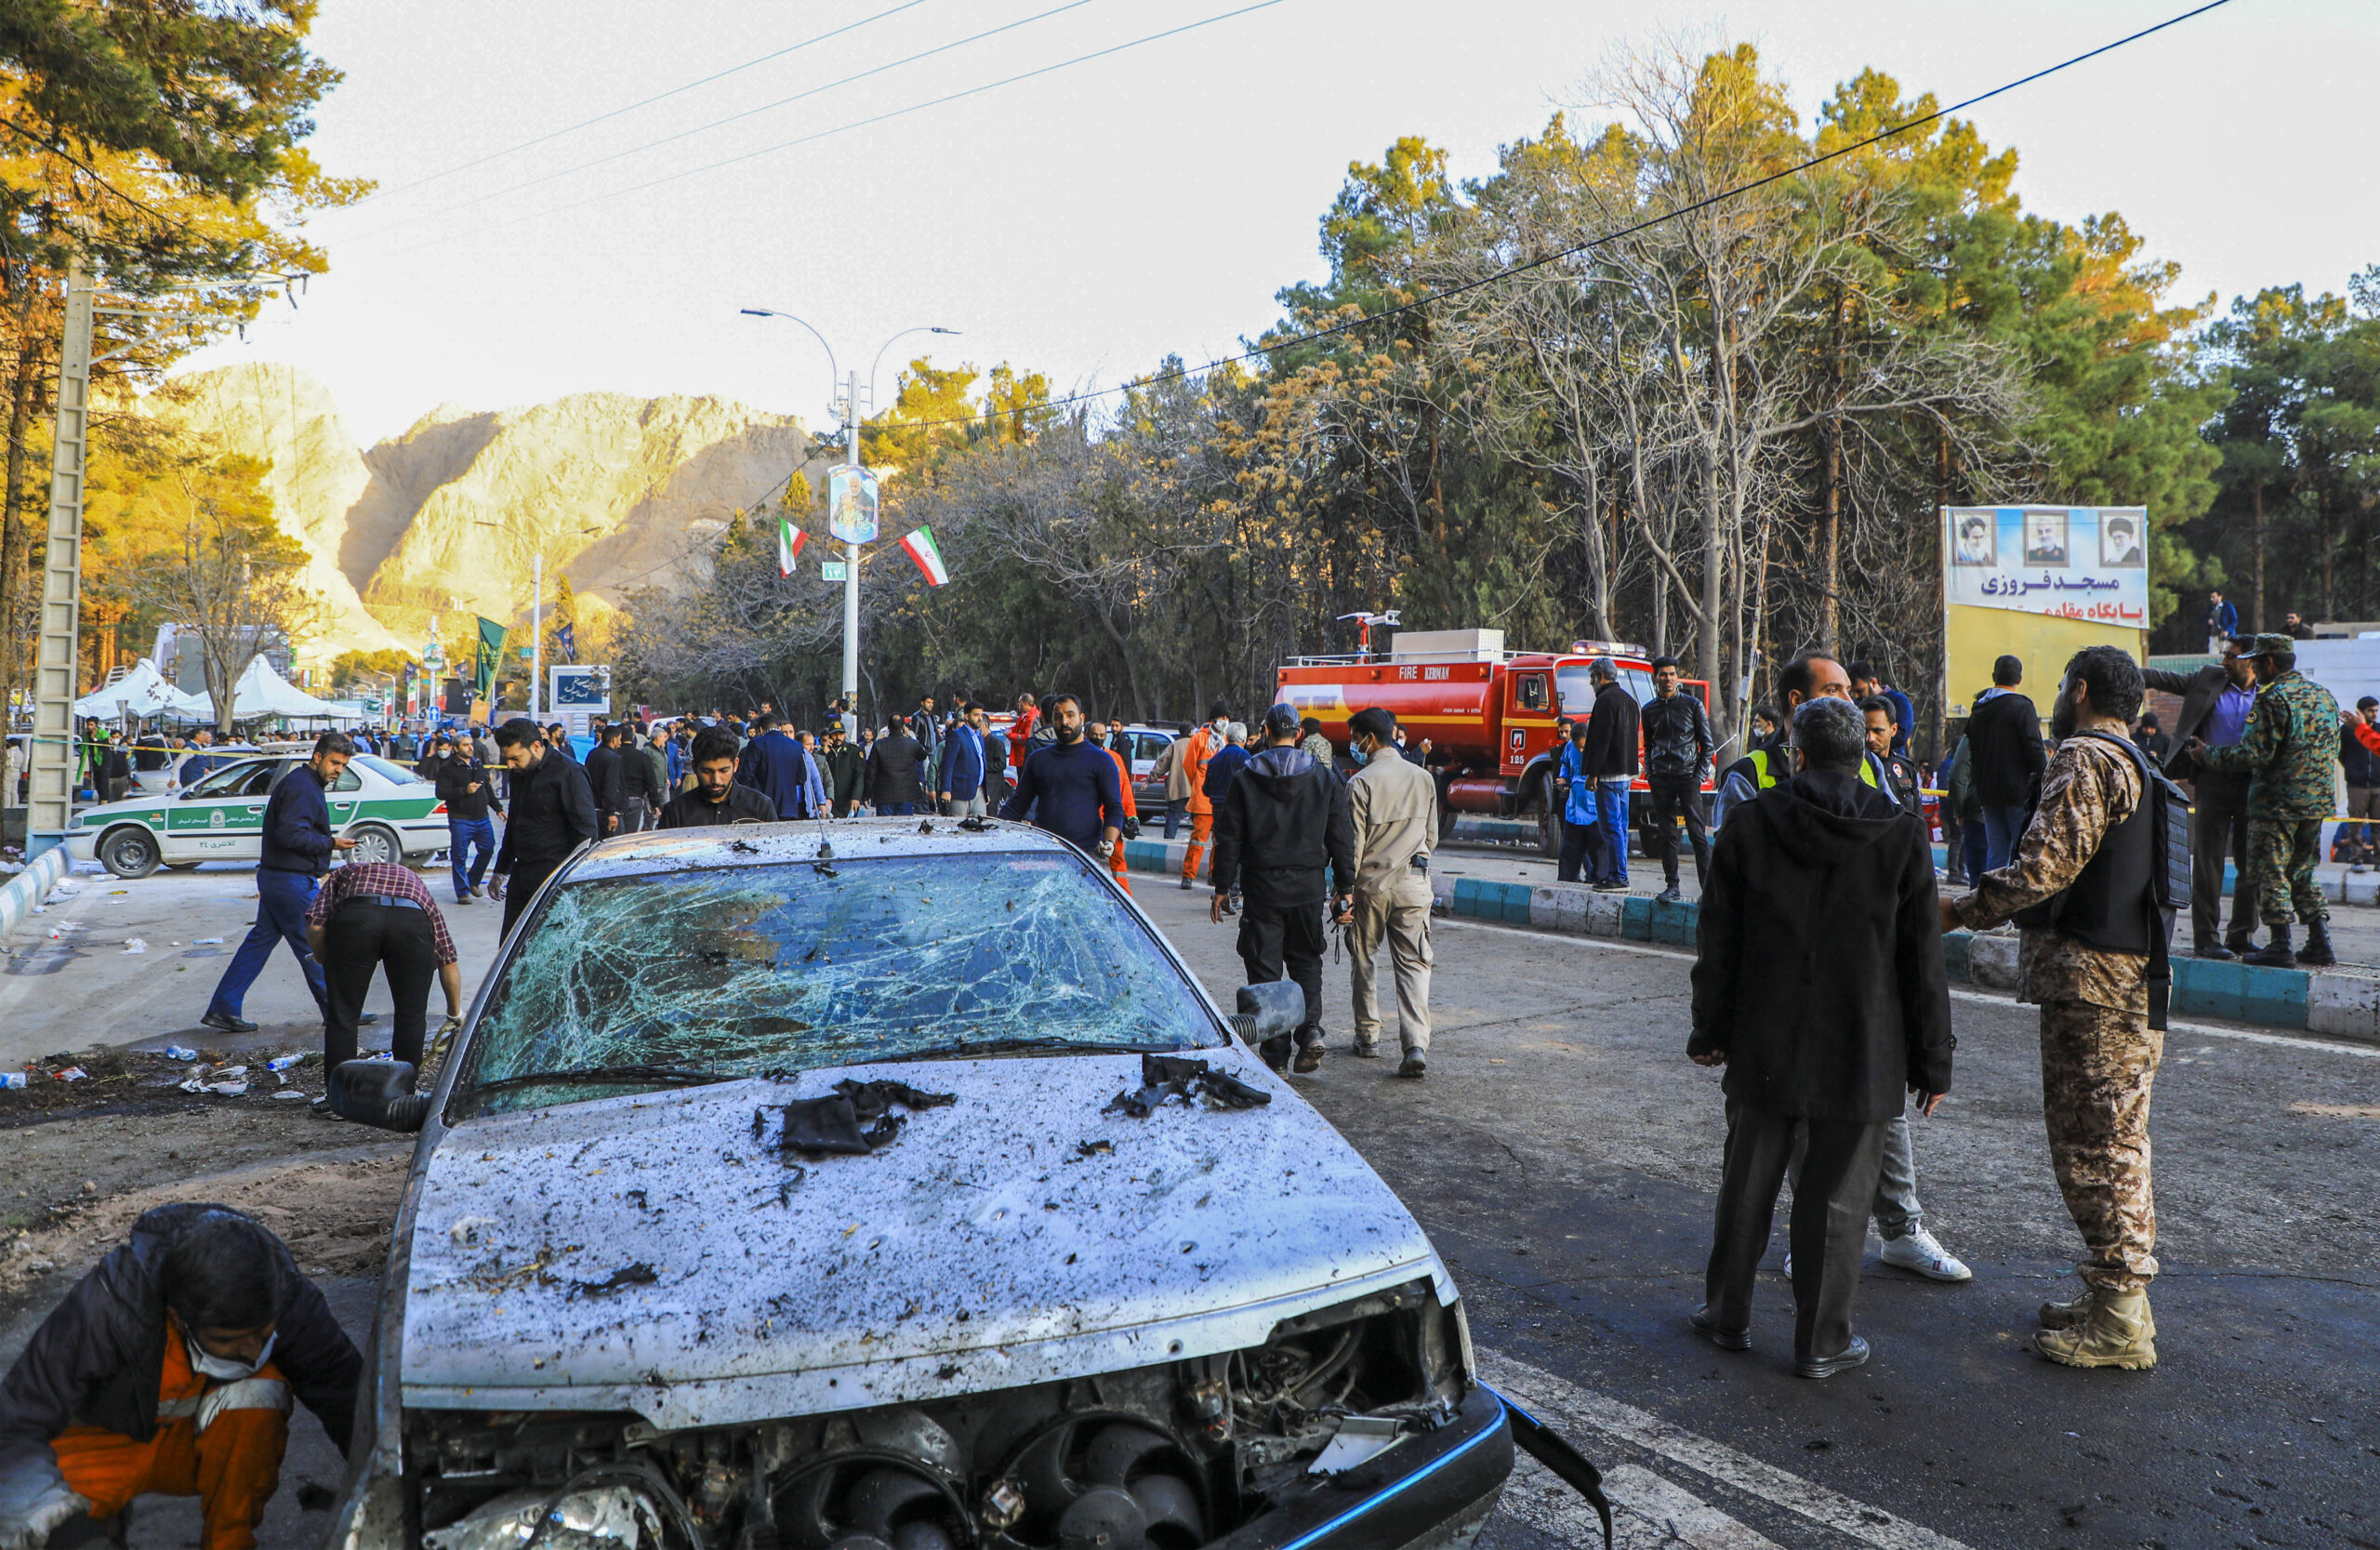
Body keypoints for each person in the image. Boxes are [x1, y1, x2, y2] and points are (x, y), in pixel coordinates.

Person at [1689, 696, 1954, 1380]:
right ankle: (1821, 1341)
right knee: (1838, 1200)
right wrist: (1934, 1060)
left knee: (1747, 1181)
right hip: (1862, 1048)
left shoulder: (1750, 824)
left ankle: (1727, 1314)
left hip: (1765, 1038)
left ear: (1796, 753)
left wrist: (1709, 1029)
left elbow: (1719, 938)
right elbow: (1921, 958)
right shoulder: (1899, 832)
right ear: (1864, 756)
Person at [1949, 646, 2168, 1370]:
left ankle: (2121, 1319)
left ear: (2079, 690)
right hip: (2130, 982)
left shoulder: (2084, 757)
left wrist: (1960, 909)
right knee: (2115, 1142)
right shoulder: (2137, 760)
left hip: (2093, 987)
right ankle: (2115, 1297)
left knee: (2093, 1149)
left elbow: (2044, 868)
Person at [0, 1206, 361, 1550]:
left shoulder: (288, 1297)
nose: (252, 1351)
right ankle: (99, 1528)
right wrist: (68, 1532)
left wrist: (392, 1485)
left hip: (194, 1445)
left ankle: (228, 1542)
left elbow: (350, 1401)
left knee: (259, 1392)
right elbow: (14, 1428)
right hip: (103, 1444)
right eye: (226, 1340)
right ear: (177, 1315)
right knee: (28, 1515)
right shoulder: (103, 1310)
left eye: (263, 1334)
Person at [1209, 703, 1355, 1075]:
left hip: (1262, 890)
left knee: (1265, 969)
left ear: (1267, 732)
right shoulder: (1324, 779)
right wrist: (1345, 886)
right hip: (1307, 889)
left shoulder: (1245, 778)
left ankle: (1276, 1057)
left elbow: (1230, 838)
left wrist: (1223, 886)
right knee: (1307, 962)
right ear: (1299, 734)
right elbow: (1341, 837)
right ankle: (1310, 1031)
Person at [2188, 634, 2342, 967]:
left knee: (2268, 871)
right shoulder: (2323, 696)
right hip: (2315, 803)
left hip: (2277, 804)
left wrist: (2207, 754)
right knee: (2302, 871)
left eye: (2257, 661)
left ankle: (2281, 943)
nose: (2254, 666)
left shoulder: (2273, 698)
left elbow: (2253, 754)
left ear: (2270, 663)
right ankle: (2319, 940)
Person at [198, 734, 354, 1037]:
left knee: (258, 945)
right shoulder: (301, 787)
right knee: (316, 944)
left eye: (343, 765)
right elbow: (290, 835)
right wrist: (330, 843)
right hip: (290, 879)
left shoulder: (304, 784)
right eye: (335, 762)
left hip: (278, 877)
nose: (338, 770)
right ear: (318, 756)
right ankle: (339, 1011)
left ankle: (223, 1007)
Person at [2142, 639, 2257, 957]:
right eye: (2224, 655)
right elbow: (2164, 679)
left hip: (2254, 784)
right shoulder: (2209, 677)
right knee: (2208, 862)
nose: (2224, 661)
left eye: (2232, 657)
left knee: (2252, 863)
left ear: (2252, 662)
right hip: (2211, 780)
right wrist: (2124, 671)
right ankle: (2207, 938)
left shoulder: (2271, 690)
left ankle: (2242, 934)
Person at [303, 851, 463, 1073]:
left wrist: (323, 957)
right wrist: (455, 1014)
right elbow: (446, 957)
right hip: (411, 921)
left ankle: (339, 1095)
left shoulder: (344, 872)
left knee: (344, 1017)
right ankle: (403, 1092)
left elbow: (316, 926)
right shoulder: (414, 881)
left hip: (357, 918)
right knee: (412, 1016)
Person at [1343, 708, 1435, 1078]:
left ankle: (1368, 1037)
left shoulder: (1360, 783)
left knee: (1364, 957)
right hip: (1415, 884)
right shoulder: (1423, 778)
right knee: (1414, 963)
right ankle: (1415, 1043)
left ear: (1369, 738)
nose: (1353, 745)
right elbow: (1432, 837)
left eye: (1355, 738)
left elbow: (1353, 847)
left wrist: (1345, 892)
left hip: (1372, 886)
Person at [489, 718, 598, 939]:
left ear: (536, 746)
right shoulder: (520, 774)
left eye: (515, 758)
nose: (510, 765)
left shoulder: (569, 773)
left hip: (554, 878)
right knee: (511, 947)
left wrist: (574, 882)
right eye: (507, 759)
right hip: (521, 875)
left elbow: (586, 834)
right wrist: (501, 870)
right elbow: (515, 823)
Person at [999, 693, 1122, 857]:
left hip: (1085, 857)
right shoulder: (1038, 759)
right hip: (1044, 852)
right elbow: (1017, 804)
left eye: (1070, 715)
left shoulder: (1102, 760)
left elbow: (1114, 808)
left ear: (1082, 718)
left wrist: (1109, 843)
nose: (1064, 721)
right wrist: (994, 830)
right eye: (1058, 716)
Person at [1639, 656, 1715, 902]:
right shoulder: (1649, 710)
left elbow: (1708, 746)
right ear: (1656, 678)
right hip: (1661, 778)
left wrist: (1697, 777)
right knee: (1667, 834)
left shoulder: (1692, 706)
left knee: (1697, 835)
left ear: (1677, 677)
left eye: (1672, 674)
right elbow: (1649, 745)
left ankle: (1708, 890)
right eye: (1663, 674)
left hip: (1688, 777)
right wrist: (1650, 772)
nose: (1668, 679)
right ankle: (1672, 886)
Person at [1966, 655, 2046, 871]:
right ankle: (2018, 902)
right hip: (2017, 792)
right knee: (2023, 851)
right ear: (2019, 679)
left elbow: (1972, 750)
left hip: (1987, 792)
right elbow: (2034, 750)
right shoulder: (2021, 707)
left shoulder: (1979, 709)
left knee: (1996, 852)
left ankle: (1991, 898)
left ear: (1994, 676)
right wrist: (2046, 779)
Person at [1576, 660, 1638, 891]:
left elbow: (1600, 741)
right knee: (1620, 828)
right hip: (1626, 774)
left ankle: (1619, 877)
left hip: (1608, 775)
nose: (1591, 683)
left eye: (1592, 678)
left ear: (1600, 676)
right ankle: (1616, 873)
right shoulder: (1630, 700)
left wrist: (1593, 773)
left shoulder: (1604, 701)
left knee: (1610, 828)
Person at [659, 727, 778, 828]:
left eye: (723, 771)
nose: (716, 780)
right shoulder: (675, 812)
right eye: (707, 771)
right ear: (694, 767)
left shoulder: (760, 807)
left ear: (735, 765)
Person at [435, 736, 502, 905]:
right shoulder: (448, 769)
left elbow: (487, 787)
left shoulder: (477, 764)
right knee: (459, 856)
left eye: (471, 744)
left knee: (487, 849)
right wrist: (464, 790)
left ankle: (473, 880)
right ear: (456, 748)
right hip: (461, 820)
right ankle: (463, 892)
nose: (470, 748)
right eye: (466, 745)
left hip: (482, 818)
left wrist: (498, 808)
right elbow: (441, 793)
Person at [1178, 704, 1228, 891]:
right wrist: (1198, 786)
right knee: (1198, 839)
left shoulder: (1225, 739)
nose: (1225, 721)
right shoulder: (1199, 738)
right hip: (1204, 798)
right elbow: (1189, 766)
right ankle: (1188, 875)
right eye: (1222, 717)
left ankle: (1214, 875)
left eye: (1227, 718)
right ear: (1213, 719)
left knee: (1219, 840)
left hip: (1220, 797)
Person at [744, 716, 826, 820]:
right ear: (778, 727)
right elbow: (801, 778)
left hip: (763, 808)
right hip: (790, 808)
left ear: (760, 729)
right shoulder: (797, 746)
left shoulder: (756, 744)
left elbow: (746, 776)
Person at [1552, 718, 1599, 884]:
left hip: (1592, 806)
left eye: (1583, 747)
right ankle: (1567, 878)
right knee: (1570, 848)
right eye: (1578, 746)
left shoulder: (1596, 748)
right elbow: (1565, 763)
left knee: (1596, 848)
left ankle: (1596, 878)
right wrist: (1564, 777)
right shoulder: (1570, 748)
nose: (1580, 750)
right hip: (1573, 806)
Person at [1860, 698, 1924, 818]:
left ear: (1893, 729)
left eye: (1877, 731)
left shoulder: (1906, 768)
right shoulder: (1853, 768)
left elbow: (1917, 816)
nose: (1870, 738)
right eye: (1864, 731)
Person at [1846, 660, 1914, 757]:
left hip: (1892, 763)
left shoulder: (1899, 701)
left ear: (1874, 682)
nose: (1856, 696)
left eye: (1860, 690)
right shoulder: (1855, 705)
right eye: (1852, 692)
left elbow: (1901, 737)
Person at [2341, 697, 2380, 868]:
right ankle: (2356, 859)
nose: (2375, 714)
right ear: (2361, 712)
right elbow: (2341, 754)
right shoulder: (2347, 731)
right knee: (2356, 824)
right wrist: (2353, 770)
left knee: (2378, 824)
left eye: (2376, 710)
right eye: (2371, 711)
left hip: (2378, 784)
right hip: (2357, 784)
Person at [866, 716, 925, 816]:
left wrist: (866, 794)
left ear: (888, 727)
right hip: (906, 793)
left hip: (884, 795)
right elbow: (923, 755)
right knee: (904, 828)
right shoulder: (911, 744)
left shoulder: (878, 745)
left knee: (884, 828)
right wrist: (909, 737)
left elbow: (870, 772)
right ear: (903, 727)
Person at [938, 707, 991, 819]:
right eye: (976, 715)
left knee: (981, 828)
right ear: (966, 716)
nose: (980, 718)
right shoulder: (957, 735)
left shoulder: (980, 737)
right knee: (959, 830)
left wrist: (986, 791)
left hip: (979, 791)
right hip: (960, 791)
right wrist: (946, 789)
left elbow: (981, 763)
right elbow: (948, 764)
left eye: (981, 715)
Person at [585, 722, 625, 835]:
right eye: (619, 739)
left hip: (593, 808)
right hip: (607, 813)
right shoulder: (613, 758)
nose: (620, 743)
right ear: (613, 740)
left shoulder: (592, 754)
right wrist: (611, 812)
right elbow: (611, 785)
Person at [1149, 726, 1188, 840]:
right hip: (1195, 787)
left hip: (1177, 787)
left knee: (1174, 815)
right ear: (1191, 732)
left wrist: (1150, 779)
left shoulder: (1174, 745)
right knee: (1198, 818)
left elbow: (1162, 762)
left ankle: (1168, 840)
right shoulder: (1198, 744)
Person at [821, 724, 865, 816]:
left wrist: (856, 797)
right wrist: (824, 754)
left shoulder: (854, 751)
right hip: (830, 801)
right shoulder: (824, 753)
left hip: (848, 800)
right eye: (834, 735)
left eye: (840, 734)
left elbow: (859, 776)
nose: (838, 737)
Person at [2205, 590, 2238, 656]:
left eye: (2214, 597)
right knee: (2212, 657)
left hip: (2226, 637)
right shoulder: (2209, 608)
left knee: (2227, 656)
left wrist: (2227, 630)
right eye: (2211, 597)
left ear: (2220, 597)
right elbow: (2205, 619)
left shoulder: (2228, 606)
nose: (2211, 599)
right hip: (2213, 637)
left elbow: (2234, 620)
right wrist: (2208, 622)